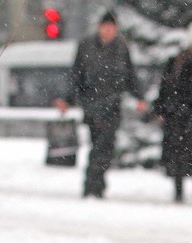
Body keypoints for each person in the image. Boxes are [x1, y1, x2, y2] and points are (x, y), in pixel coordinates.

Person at [53, 11, 148, 199]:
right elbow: (76, 75)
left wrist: (139, 97)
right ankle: (93, 184)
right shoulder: (87, 46)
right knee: (98, 145)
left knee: (105, 146)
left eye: (112, 28)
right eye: (105, 27)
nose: (108, 31)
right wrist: (67, 99)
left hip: (112, 106)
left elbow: (130, 75)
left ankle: (95, 182)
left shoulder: (121, 47)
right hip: (92, 105)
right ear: (99, 27)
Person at [153, 21, 192, 202]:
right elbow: (166, 87)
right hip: (178, 116)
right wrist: (163, 109)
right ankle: (179, 189)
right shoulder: (177, 62)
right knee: (178, 156)